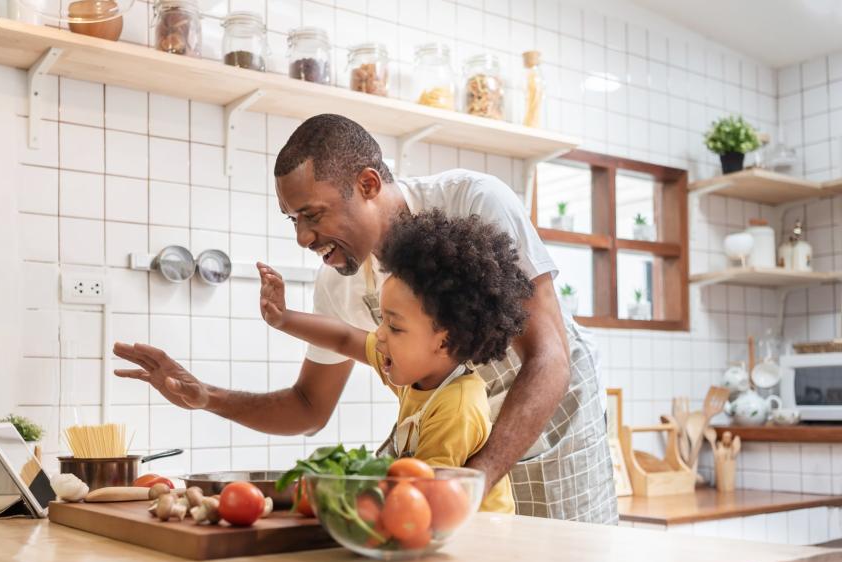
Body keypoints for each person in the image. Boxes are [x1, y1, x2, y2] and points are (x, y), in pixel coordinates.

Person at [114, 114, 617, 524]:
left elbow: (549, 356)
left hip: (551, 429)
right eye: (293, 221)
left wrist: (479, 477)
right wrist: (205, 397)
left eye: (312, 215)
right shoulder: (338, 280)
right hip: (455, 454)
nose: (303, 239)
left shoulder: (473, 202)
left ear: (368, 183)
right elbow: (310, 405)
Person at [258, 210, 533, 513]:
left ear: (443, 342)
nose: (380, 334)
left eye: (395, 326)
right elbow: (344, 339)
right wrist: (284, 319)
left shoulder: (457, 407)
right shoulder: (419, 370)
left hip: (479, 540)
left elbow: (423, 498)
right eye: (383, 320)